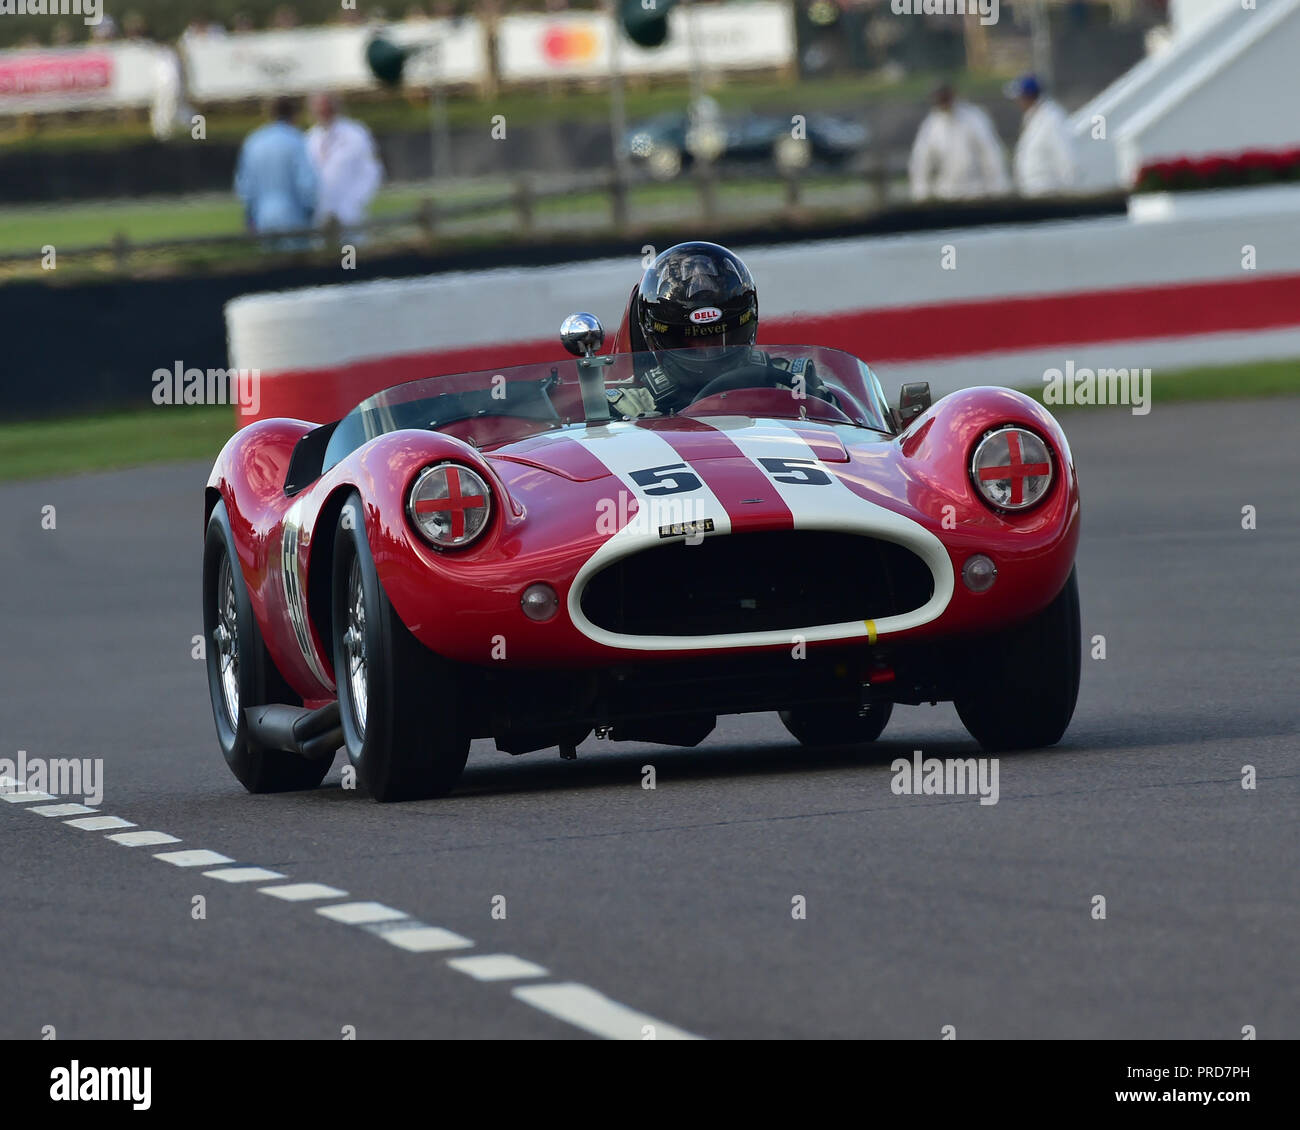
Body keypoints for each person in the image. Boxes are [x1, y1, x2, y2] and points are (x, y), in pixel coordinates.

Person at [608, 242, 832, 418]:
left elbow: (850, 434)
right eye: (692, 343)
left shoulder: (792, 383)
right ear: (656, 337)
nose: (708, 353)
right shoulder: (628, 407)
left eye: (719, 337)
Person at [908, 83, 1010, 202]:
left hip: (978, 193)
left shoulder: (974, 118)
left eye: (945, 97)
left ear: (953, 96)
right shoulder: (930, 126)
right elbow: (920, 163)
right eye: (939, 99)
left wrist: (1000, 188)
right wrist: (921, 195)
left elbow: (991, 152)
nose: (943, 102)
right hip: (947, 195)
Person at [234, 96, 318, 236]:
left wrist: (250, 217)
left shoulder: (254, 141)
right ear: (294, 114)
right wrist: (310, 213)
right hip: (294, 218)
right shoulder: (297, 140)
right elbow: (307, 184)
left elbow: (245, 186)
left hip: (263, 218)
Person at [305, 92, 384, 239]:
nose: (322, 112)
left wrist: (355, 202)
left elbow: (371, 172)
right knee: (325, 259)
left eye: (325, 107)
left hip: (349, 213)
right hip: (320, 216)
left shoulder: (355, 134)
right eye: (317, 108)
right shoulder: (310, 138)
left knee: (350, 259)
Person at [1007, 74, 1077, 197]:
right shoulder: (1032, 117)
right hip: (1032, 193)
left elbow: (1066, 158)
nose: (1018, 102)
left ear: (1028, 96)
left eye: (1020, 97)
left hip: (1050, 193)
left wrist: (1068, 196)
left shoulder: (1052, 119)